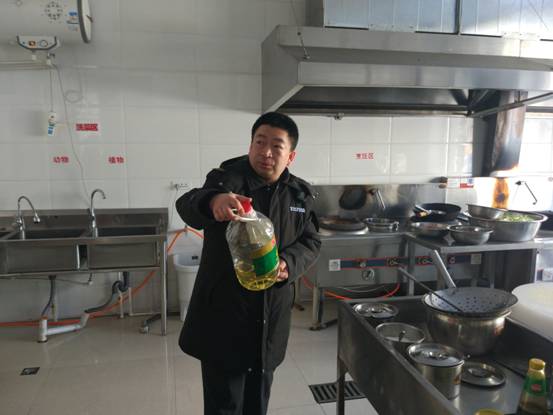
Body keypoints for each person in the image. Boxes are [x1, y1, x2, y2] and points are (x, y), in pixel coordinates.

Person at [176, 112, 321, 415]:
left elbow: (310, 242)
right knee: (224, 405)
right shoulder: (226, 181)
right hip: (225, 316)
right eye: (259, 142)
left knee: (257, 403)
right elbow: (187, 204)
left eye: (276, 146)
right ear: (251, 144)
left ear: (290, 155)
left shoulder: (299, 195)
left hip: (271, 318)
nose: (266, 152)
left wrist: (288, 264)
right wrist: (212, 202)